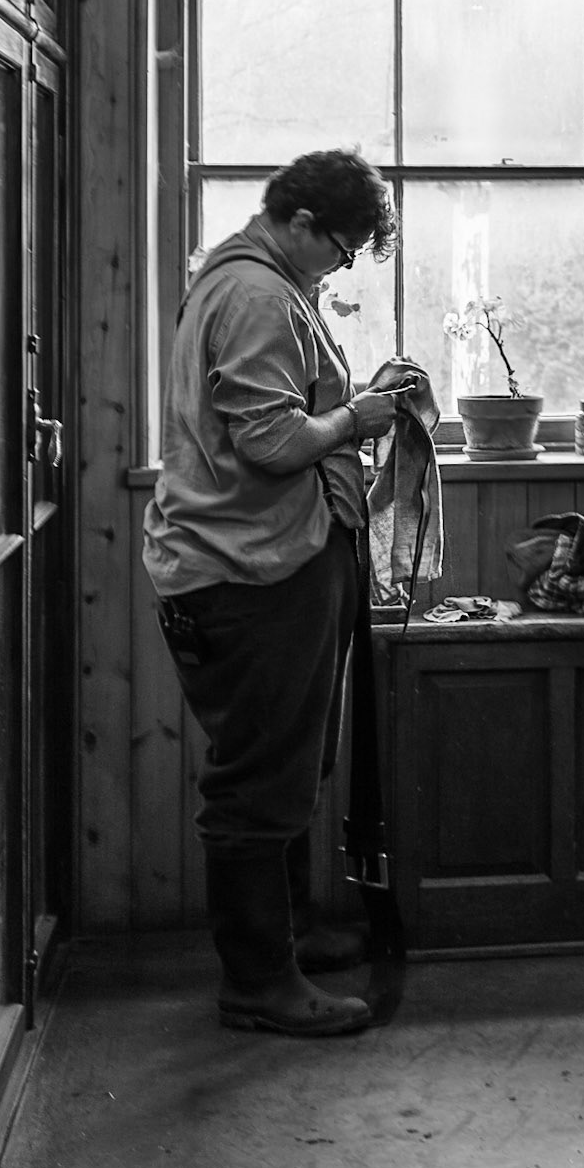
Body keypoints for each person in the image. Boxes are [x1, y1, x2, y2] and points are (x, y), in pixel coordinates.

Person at [143, 149, 420, 1038]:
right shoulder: (258, 295)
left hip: (267, 559)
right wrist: (358, 418)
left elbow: (282, 411)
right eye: (341, 248)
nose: (342, 265)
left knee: (288, 762)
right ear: (301, 223)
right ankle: (259, 981)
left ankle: (288, 940)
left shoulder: (256, 282)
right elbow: (270, 443)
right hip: (251, 569)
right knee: (259, 777)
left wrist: (357, 400)